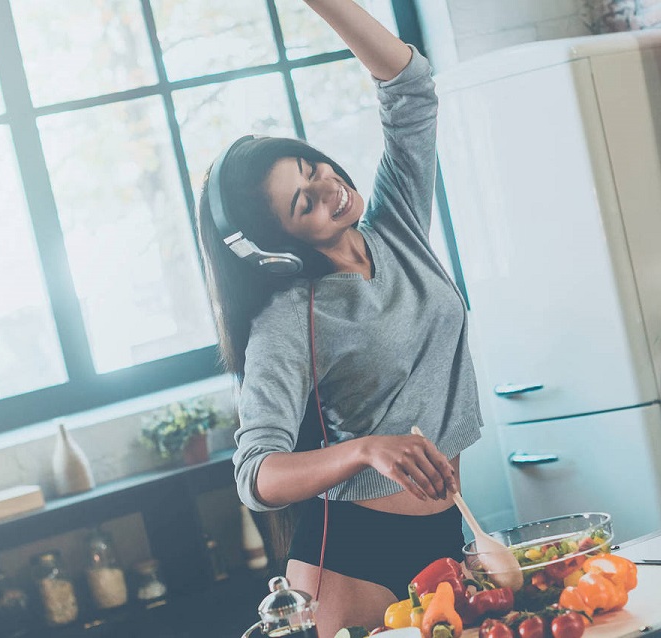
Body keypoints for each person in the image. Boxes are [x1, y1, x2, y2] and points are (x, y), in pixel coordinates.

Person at [193, 0, 485, 633]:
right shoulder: (287, 318)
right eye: (306, 203)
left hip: (446, 529)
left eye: (312, 166)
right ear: (278, 250)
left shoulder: (396, 226)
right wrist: (364, 451)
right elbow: (256, 473)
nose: (328, 186)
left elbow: (409, 89)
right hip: (351, 558)